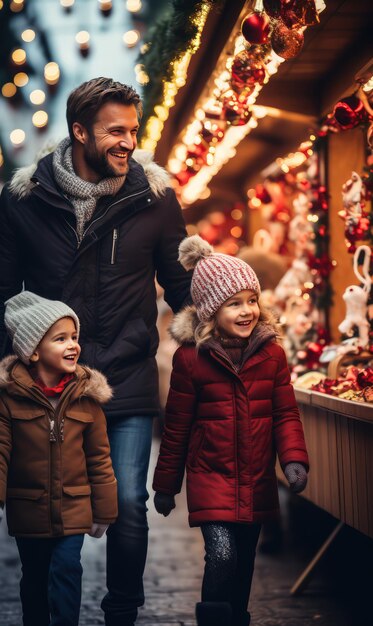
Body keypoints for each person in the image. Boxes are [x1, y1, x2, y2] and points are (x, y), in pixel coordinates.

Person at [0, 77, 191, 625]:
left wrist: (221, 341)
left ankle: (122, 614)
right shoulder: (23, 201)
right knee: (42, 513)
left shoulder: (154, 200)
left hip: (125, 378)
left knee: (129, 505)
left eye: (133, 130)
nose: (128, 141)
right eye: (115, 131)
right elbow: (4, 293)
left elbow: (181, 291)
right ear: (79, 131)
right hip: (46, 389)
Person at [153, 235, 309, 626]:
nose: (247, 311)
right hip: (211, 476)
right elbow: (177, 427)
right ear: (209, 311)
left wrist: (293, 460)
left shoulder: (272, 353)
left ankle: (236, 618)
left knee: (244, 562)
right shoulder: (191, 360)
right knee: (221, 555)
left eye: (251, 300)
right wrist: (166, 484)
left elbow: (285, 413)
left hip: (256, 479)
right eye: (234, 304)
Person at [0, 291, 118, 626]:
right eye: (60, 338)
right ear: (33, 350)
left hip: (73, 507)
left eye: (74, 337)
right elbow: (1, 452)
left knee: (68, 568)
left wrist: (105, 510)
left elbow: (99, 458)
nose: (73, 345)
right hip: (29, 507)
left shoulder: (87, 400)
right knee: (34, 577)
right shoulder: (9, 401)